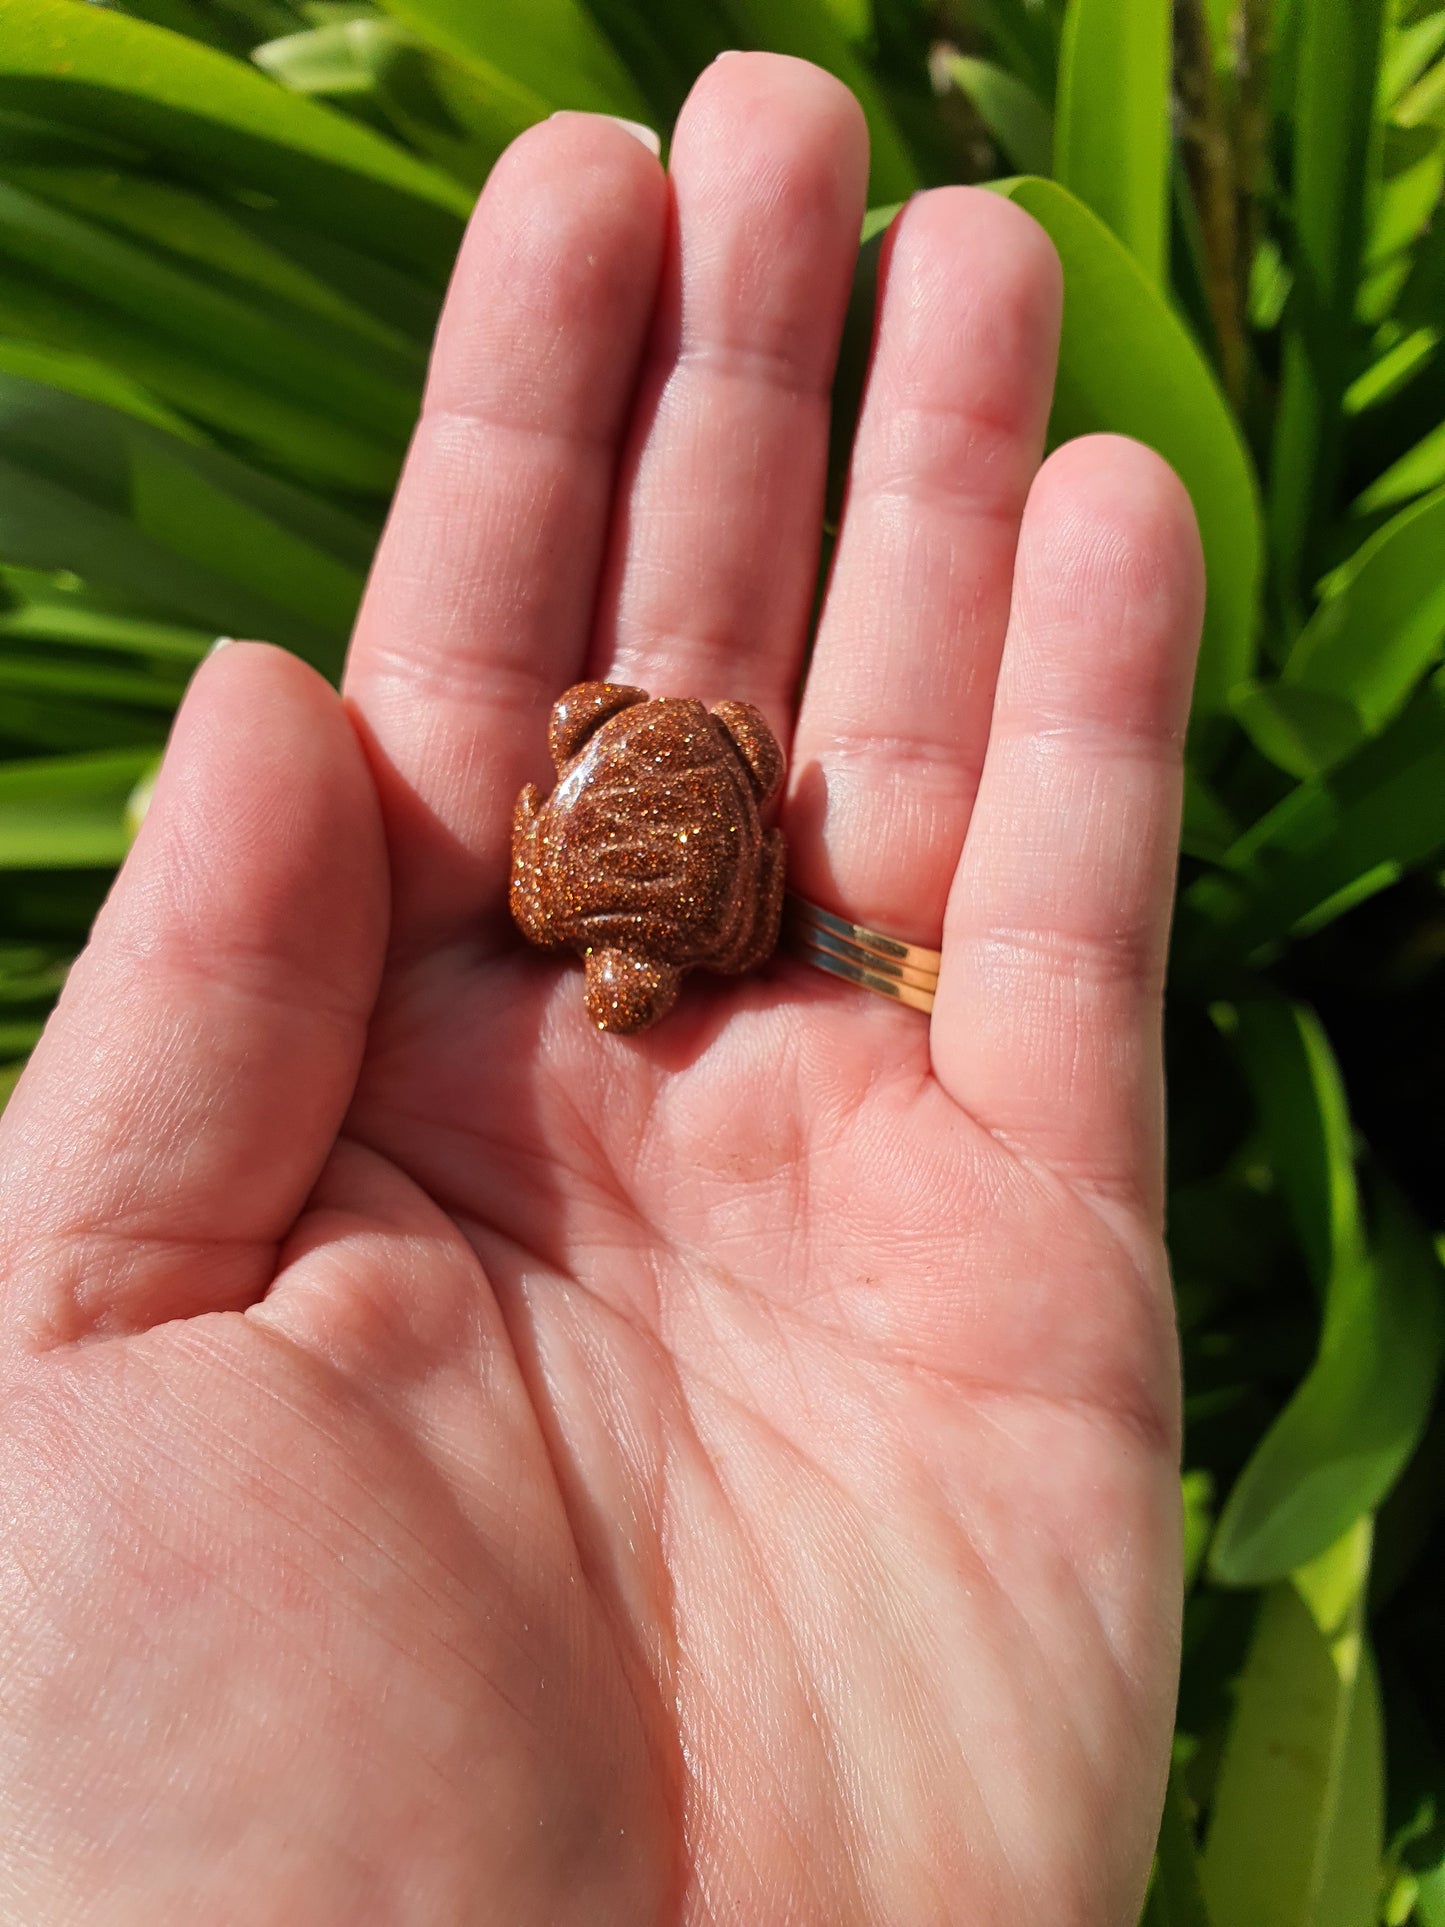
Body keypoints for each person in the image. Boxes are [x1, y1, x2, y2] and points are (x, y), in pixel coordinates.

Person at [0, 51, 1204, 1926]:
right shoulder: (645, 896)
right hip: (673, 801)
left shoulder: (598, 908)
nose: (617, 1010)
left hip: (650, 804)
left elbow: (612, 745)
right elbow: (661, 733)